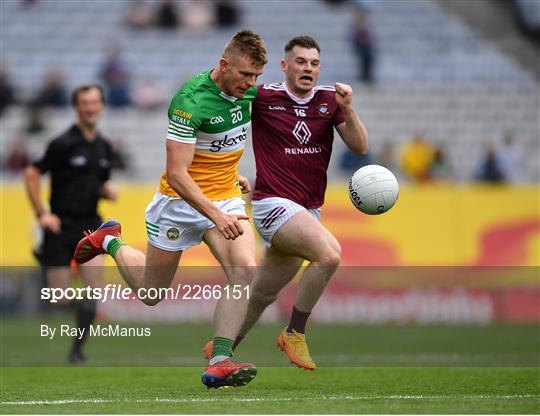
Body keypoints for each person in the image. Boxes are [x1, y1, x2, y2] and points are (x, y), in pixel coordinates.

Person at [73, 30, 267, 388]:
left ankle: (220, 360)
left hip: (223, 197)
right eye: (245, 75)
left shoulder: (249, 93)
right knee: (150, 294)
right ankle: (110, 242)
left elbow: (218, 146)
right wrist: (216, 214)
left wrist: (230, 177)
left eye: (256, 76)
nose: (251, 83)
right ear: (224, 65)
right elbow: (178, 175)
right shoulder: (189, 101)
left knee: (245, 270)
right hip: (180, 203)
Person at [203, 36, 368, 370]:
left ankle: (222, 351)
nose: (308, 68)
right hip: (271, 203)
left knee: (263, 294)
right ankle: (295, 332)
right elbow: (225, 100)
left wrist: (348, 108)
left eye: (314, 63)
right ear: (285, 65)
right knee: (330, 254)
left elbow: (360, 146)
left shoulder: (329, 101)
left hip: (307, 210)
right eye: (301, 61)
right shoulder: (263, 96)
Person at [24, 84, 117, 363]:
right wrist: (42, 213)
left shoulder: (104, 146)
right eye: (85, 103)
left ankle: (77, 352)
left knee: (94, 291)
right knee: (60, 300)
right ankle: (45, 256)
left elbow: (98, 181)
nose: (90, 108)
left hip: (91, 226)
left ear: (101, 106)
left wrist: (106, 190)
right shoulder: (62, 143)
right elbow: (32, 173)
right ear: (77, 107)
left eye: (95, 102)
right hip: (60, 226)